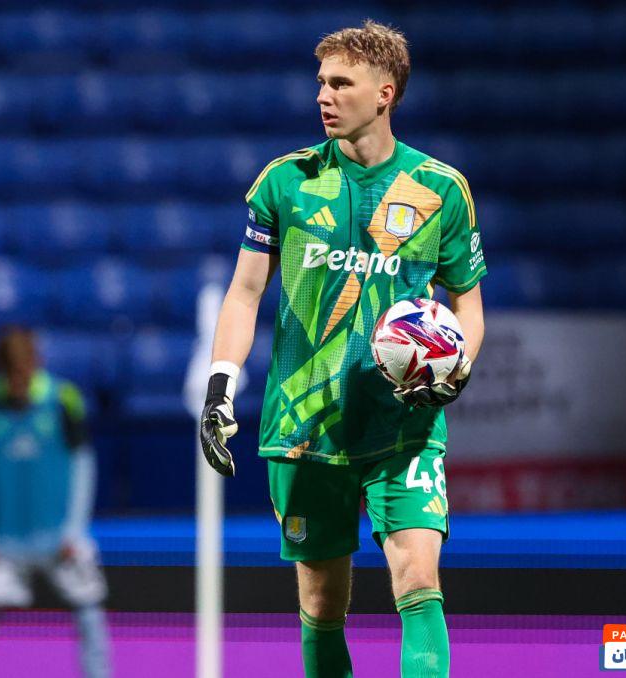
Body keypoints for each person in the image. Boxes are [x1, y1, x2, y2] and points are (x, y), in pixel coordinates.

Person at [198, 20, 487, 678]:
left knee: (419, 577)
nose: (323, 96)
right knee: (323, 603)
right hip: (305, 424)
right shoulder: (285, 182)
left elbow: (468, 309)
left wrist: (455, 368)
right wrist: (220, 387)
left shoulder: (441, 189)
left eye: (340, 83)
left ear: (385, 93)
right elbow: (244, 294)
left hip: (403, 426)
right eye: (321, 82)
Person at [0, 327, 111, 678]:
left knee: (90, 618)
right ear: (0, 372)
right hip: (4, 543)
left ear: (37, 364)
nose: (19, 383)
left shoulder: (63, 399)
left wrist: (74, 530)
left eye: (25, 374)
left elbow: (84, 466)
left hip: (61, 541)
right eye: (12, 376)